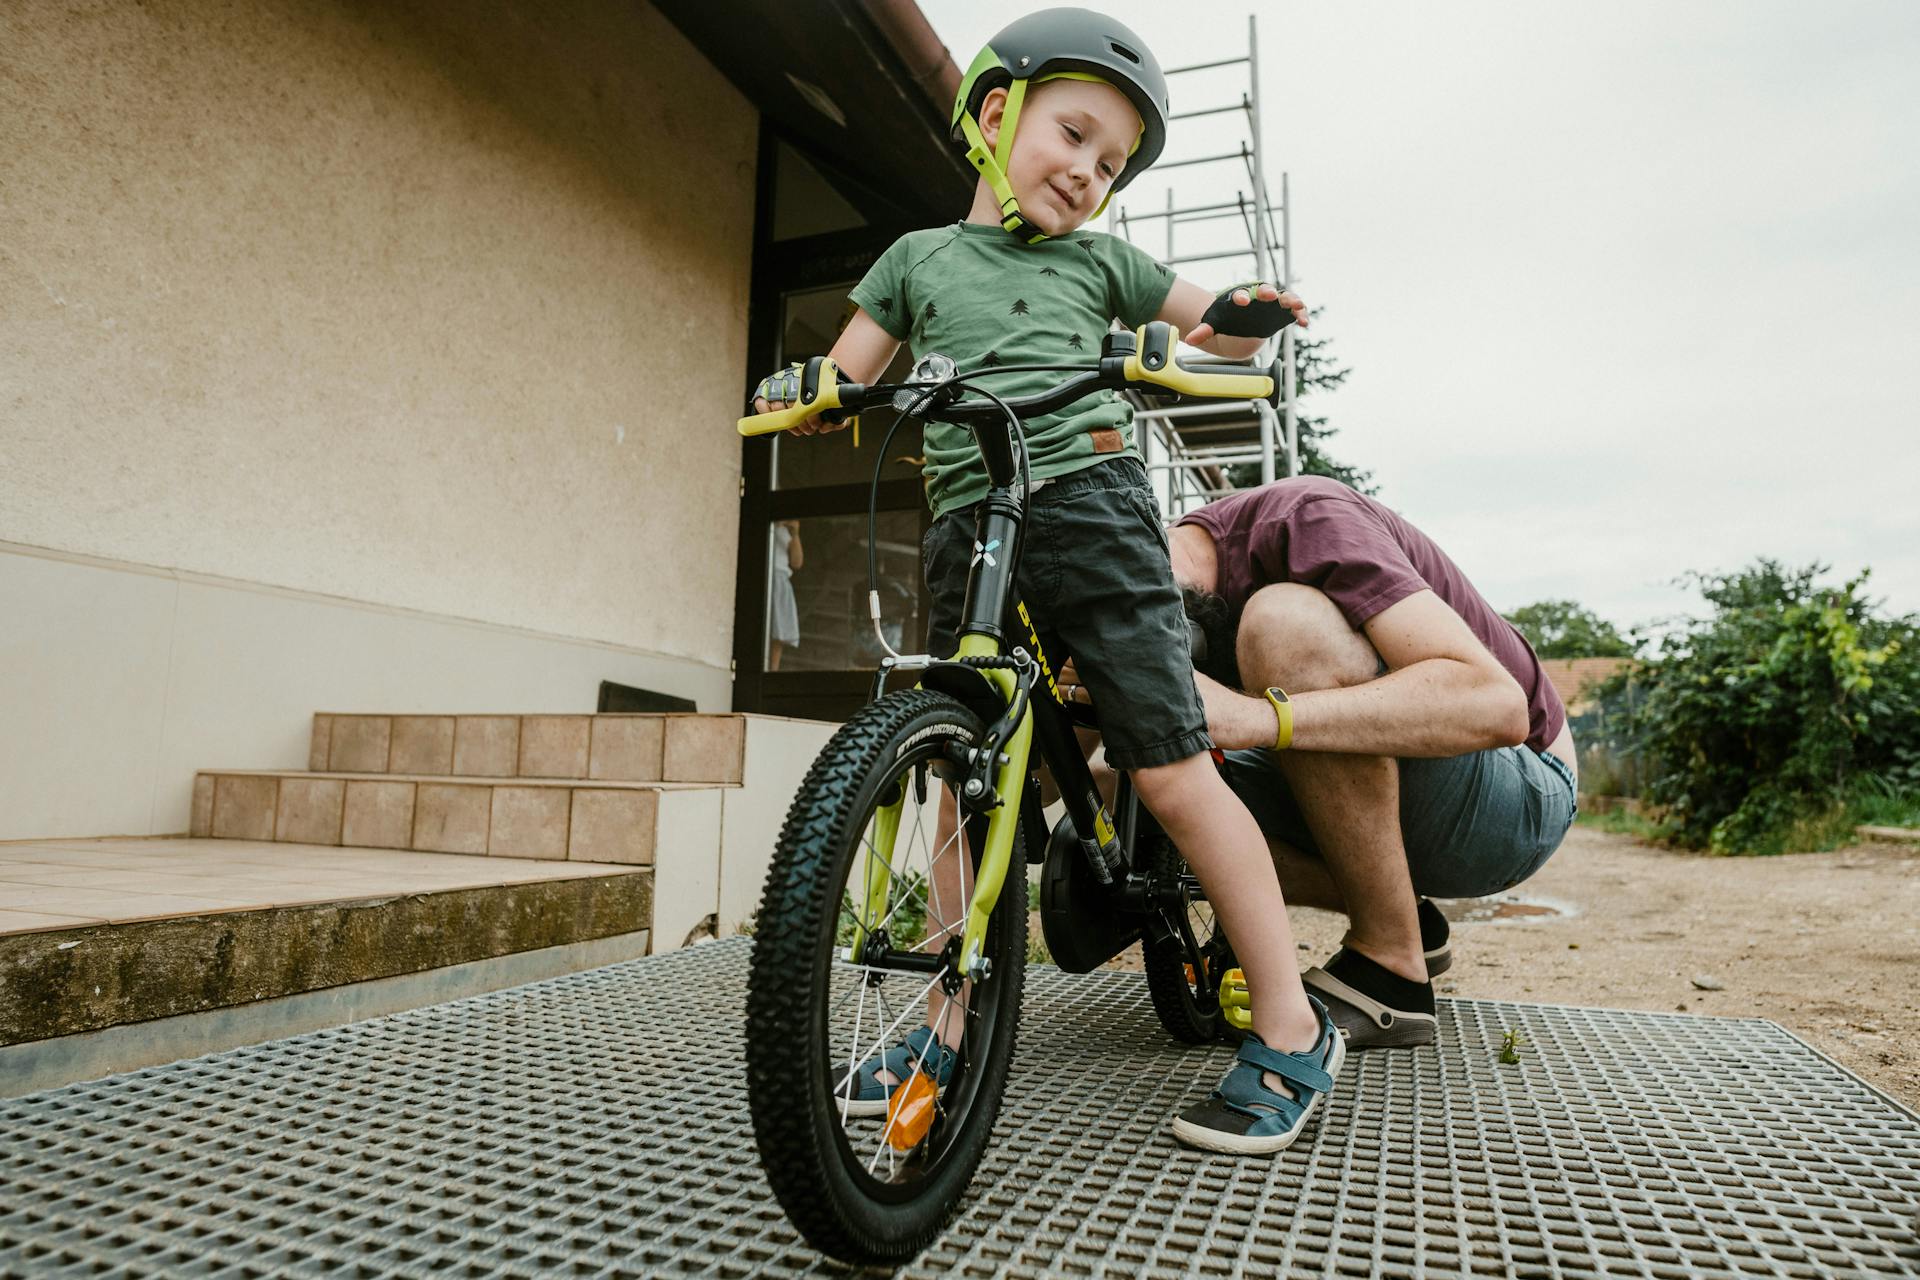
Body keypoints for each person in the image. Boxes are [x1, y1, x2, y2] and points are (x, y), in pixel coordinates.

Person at [752, 9, 1335, 1155]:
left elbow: (1206, 326)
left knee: (1168, 764)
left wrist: (1245, 320)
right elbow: (847, 369)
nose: (1087, 172)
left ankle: (1292, 1018)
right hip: (968, 524)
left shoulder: (1099, 262)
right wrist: (807, 386)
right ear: (991, 116)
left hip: (1093, 504)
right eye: (1072, 134)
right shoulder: (915, 260)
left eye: (1110, 164)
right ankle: (942, 1020)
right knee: (957, 782)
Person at [1167, 476, 1578, 1049]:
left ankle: (1392, 969)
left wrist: (1257, 719)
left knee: (1285, 624)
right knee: (1114, 778)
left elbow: (1498, 708)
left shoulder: (1307, 519)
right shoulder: (1179, 580)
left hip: (1524, 790)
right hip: (1425, 786)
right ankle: (1405, 915)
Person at [767, 519, 802, 671]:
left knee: (779, 630)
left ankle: (773, 669)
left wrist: (795, 534)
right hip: (767, 575)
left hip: (780, 579)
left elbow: (797, 562)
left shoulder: (784, 532)